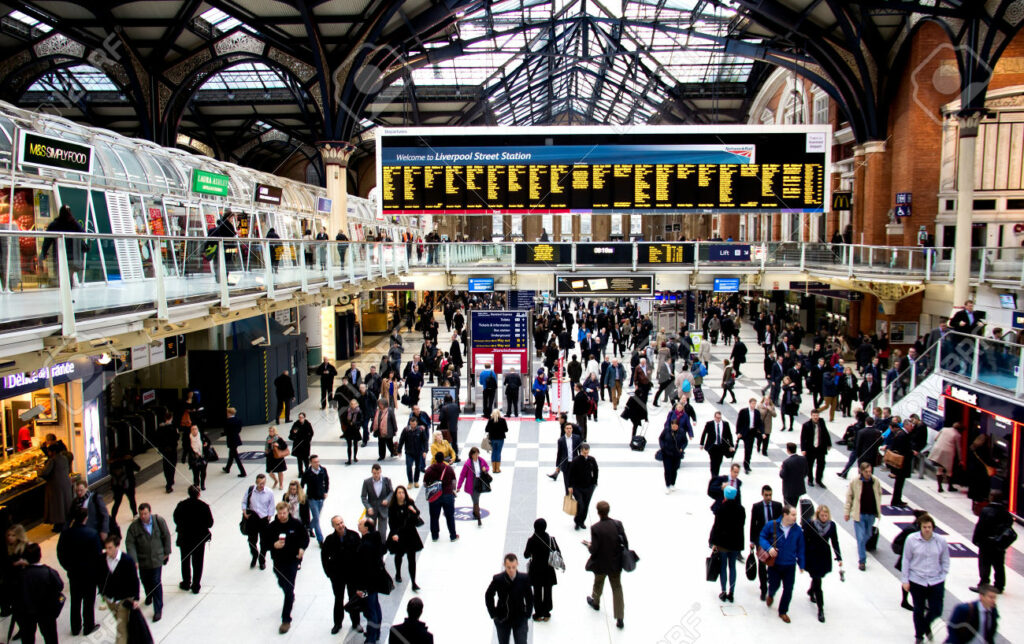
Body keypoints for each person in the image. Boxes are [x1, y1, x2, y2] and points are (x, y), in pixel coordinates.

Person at [901, 513, 949, 642]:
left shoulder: (941, 541)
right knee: (918, 609)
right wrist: (905, 580)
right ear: (920, 527)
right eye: (924, 527)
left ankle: (925, 625)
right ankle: (919, 635)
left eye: (929, 527)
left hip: (936, 580)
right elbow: (906, 559)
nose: (927, 529)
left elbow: (945, 560)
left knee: (937, 609)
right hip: (917, 580)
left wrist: (943, 574)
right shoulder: (911, 540)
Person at [263, 501, 309, 634]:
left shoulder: (296, 524)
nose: (282, 516)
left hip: (292, 560)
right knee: (282, 583)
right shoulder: (272, 527)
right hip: (278, 561)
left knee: (289, 588)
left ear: (288, 511)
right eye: (280, 513)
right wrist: (273, 545)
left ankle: (286, 619)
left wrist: (302, 548)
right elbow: (264, 543)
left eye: (284, 513)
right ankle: (290, 594)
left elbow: (305, 538)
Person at [56, 506, 101, 636]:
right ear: (85, 518)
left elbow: (60, 553)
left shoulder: (65, 534)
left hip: (74, 573)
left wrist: (68, 567)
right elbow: (98, 556)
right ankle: (88, 625)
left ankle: (75, 627)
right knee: (88, 601)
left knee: (75, 601)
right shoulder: (92, 534)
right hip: (89, 574)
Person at [759, 504, 806, 624]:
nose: (795, 517)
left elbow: (801, 548)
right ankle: (771, 593)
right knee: (774, 584)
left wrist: (801, 563)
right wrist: (768, 548)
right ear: (785, 515)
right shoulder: (772, 525)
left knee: (788, 589)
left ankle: (783, 611)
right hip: (775, 564)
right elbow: (762, 537)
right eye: (793, 514)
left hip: (790, 564)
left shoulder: (798, 530)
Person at [124, 503, 171, 622]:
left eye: (145, 513)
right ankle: (149, 594)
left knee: (156, 582)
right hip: (143, 560)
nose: (143, 516)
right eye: (141, 514)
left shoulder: (158, 521)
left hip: (156, 559)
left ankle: (158, 609)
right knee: (145, 580)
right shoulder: (134, 527)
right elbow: (130, 543)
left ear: (150, 512)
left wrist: (166, 552)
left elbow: (166, 535)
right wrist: (134, 560)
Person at [583, 501, 626, 629]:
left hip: (601, 563)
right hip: (615, 563)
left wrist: (589, 546)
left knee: (598, 583)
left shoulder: (596, 528)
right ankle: (620, 617)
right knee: (617, 588)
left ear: (598, 512)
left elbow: (594, 549)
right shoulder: (618, 524)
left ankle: (595, 602)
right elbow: (625, 542)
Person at [321, 515, 363, 635]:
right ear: (333, 526)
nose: (340, 525)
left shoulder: (354, 536)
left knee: (353, 598)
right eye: (337, 524)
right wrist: (329, 573)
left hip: (352, 574)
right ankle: (337, 623)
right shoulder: (329, 540)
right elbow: (324, 557)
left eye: (341, 522)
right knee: (338, 599)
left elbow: (360, 555)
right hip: (337, 576)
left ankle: (356, 622)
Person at [15, 542, 63, 644]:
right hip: (46, 611)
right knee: (51, 637)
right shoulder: (49, 572)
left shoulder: (20, 575)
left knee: (28, 638)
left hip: (26, 612)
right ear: (40, 555)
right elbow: (59, 586)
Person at [803, 504, 842, 623]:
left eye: (826, 515)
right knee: (817, 581)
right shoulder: (810, 524)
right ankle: (820, 609)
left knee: (818, 577)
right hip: (812, 555)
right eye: (822, 515)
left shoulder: (831, 525)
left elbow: (835, 541)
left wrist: (839, 557)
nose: (824, 517)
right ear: (818, 515)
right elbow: (804, 539)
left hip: (824, 556)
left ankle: (810, 591)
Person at [97, 535, 140, 644]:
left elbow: (134, 580)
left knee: (121, 629)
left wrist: (135, 598)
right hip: (110, 599)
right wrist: (102, 592)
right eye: (106, 548)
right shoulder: (102, 559)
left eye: (110, 548)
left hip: (123, 599)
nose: (107, 550)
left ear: (117, 547)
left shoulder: (127, 560)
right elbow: (99, 576)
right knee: (122, 624)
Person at [172, 485, 213, 594]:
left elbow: (176, 518)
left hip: (184, 538)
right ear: (199, 494)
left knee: (185, 560)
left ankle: (186, 582)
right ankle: (195, 585)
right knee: (198, 562)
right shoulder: (204, 506)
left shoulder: (181, 505)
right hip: (199, 539)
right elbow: (210, 523)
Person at [485, 554, 534, 644]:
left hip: (520, 618)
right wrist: (493, 614)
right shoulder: (498, 579)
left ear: (517, 565)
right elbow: (488, 595)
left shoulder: (524, 579)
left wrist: (527, 614)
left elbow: (529, 597)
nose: (511, 570)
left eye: (513, 567)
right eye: (508, 567)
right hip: (502, 618)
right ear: (504, 566)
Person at [970, 494, 1014, 594]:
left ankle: (983, 584)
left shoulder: (986, 511)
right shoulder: (1006, 513)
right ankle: (999, 586)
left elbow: (979, 526)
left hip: (985, 543)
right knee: (999, 565)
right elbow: (1009, 526)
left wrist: (975, 540)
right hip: (999, 544)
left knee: (984, 564)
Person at [355, 517, 389, 644]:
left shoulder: (366, 545)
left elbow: (365, 568)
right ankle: (376, 633)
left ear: (366, 528)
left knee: (370, 610)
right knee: (375, 606)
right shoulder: (375, 538)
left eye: (360, 524)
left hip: (368, 584)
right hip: (375, 582)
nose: (358, 525)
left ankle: (371, 637)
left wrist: (360, 587)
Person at [710, 485, 746, 602]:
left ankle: (724, 591)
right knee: (732, 567)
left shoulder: (721, 509)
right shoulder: (741, 509)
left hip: (723, 543)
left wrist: (714, 542)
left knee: (723, 567)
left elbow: (717, 527)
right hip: (735, 543)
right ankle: (732, 592)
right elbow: (742, 525)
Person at [844, 461, 882, 571]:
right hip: (859, 514)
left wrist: (878, 509)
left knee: (868, 534)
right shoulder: (855, 482)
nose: (868, 474)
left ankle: (861, 547)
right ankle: (862, 561)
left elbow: (879, 494)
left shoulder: (875, 481)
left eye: (870, 471)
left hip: (871, 514)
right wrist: (847, 512)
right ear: (861, 471)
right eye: (866, 471)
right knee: (860, 538)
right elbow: (849, 497)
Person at [750, 485, 783, 601]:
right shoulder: (757, 507)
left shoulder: (778, 506)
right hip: (762, 539)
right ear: (762, 494)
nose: (768, 497)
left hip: (774, 539)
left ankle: (771, 584)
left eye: (770, 495)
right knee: (762, 564)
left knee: (773, 563)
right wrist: (752, 541)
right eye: (766, 495)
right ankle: (763, 588)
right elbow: (753, 524)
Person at [386, 485, 423, 590]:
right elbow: (391, 522)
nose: (401, 495)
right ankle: (398, 572)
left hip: (410, 534)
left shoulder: (410, 502)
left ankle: (413, 582)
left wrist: (414, 511)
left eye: (403, 492)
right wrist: (394, 534)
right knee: (399, 555)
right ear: (396, 495)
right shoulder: (392, 507)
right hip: (399, 534)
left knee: (412, 559)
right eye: (399, 493)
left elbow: (417, 513)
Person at [524, 519, 559, 621]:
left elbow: (526, 555)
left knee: (537, 591)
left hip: (536, 569)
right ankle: (547, 612)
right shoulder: (549, 539)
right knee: (548, 590)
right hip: (548, 569)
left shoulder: (531, 540)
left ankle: (538, 613)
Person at [242, 473, 277, 569]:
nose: (262, 485)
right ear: (256, 482)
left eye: (263, 483)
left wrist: (270, 515)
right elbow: (244, 501)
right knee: (251, 540)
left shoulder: (269, 492)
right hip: (252, 518)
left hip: (264, 519)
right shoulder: (251, 490)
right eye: (260, 483)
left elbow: (272, 505)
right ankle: (254, 555)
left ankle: (262, 560)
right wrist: (244, 512)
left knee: (264, 541)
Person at [423, 452, 459, 542]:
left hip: (434, 496)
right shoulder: (448, 468)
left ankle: (435, 536)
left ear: (435, 459)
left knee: (434, 517)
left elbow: (425, 484)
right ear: (443, 458)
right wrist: (453, 490)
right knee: (450, 516)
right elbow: (454, 481)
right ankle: (453, 535)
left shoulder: (430, 469)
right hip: (447, 495)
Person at [39, 442, 72, 532]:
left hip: (55, 486)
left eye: (49, 451)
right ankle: (64, 523)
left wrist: (38, 470)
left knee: (57, 506)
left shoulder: (52, 460)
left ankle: (58, 525)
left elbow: (44, 473)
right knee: (64, 504)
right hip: (65, 484)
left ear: (52, 452)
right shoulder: (64, 458)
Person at [360, 464, 394, 544]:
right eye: (374, 473)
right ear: (372, 472)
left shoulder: (386, 480)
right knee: (370, 532)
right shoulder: (367, 482)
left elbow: (391, 492)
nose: (376, 475)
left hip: (383, 509)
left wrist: (387, 500)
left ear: (380, 471)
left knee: (382, 533)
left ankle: (381, 551)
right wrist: (368, 507)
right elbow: (363, 497)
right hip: (372, 510)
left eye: (378, 473)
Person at [568, 444, 599, 531]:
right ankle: (577, 521)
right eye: (584, 452)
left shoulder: (591, 459)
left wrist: (594, 482)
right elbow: (571, 474)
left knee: (586, 505)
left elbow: (596, 470)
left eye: (587, 452)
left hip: (589, 487)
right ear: (581, 451)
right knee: (580, 504)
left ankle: (582, 522)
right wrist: (570, 486)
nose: (586, 454)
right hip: (577, 487)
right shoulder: (576, 461)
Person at [300, 455, 329, 545]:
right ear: (311, 463)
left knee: (316, 517)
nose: (317, 463)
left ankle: (308, 528)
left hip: (321, 498)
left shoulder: (323, 470)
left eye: (318, 461)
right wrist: (301, 495)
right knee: (316, 518)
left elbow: (327, 480)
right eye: (315, 462)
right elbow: (302, 484)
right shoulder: (307, 473)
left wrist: (326, 491)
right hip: (312, 499)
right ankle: (320, 539)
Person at [548, 422, 582, 494]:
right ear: (564, 430)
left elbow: (580, 450)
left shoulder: (577, 438)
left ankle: (575, 494)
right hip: (566, 464)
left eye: (570, 428)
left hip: (574, 463)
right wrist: (558, 465)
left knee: (575, 480)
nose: (569, 430)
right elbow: (559, 453)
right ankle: (567, 495)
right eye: (567, 428)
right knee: (566, 481)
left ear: (572, 429)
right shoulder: (561, 440)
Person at [800, 410, 831, 487]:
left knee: (821, 464)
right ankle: (810, 479)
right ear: (811, 416)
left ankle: (819, 480)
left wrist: (829, 443)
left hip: (820, 448)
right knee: (809, 465)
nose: (816, 417)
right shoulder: (806, 425)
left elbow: (826, 433)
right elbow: (803, 438)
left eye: (817, 415)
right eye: (814, 415)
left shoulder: (822, 422)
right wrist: (803, 449)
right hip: (810, 449)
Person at [929, 422, 962, 493]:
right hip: (948, 452)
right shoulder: (957, 435)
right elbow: (958, 448)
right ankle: (950, 487)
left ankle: (940, 487)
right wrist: (960, 459)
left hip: (937, 450)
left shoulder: (944, 429)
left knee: (939, 469)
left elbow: (935, 438)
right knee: (949, 471)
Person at [658, 417, 688, 493]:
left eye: (676, 426)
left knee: (674, 469)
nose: (674, 427)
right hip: (667, 453)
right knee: (667, 470)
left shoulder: (681, 432)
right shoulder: (666, 430)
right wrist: (663, 447)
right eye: (673, 426)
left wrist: (682, 448)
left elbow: (685, 441)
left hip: (676, 454)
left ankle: (672, 484)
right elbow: (661, 438)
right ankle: (667, 485)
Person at [699, 411, 733, 477]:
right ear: (714, 417)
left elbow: (729, 435)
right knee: (713, 461)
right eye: (717, 418)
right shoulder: (709, 424)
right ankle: (714, 475)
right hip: (712, 446)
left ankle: (716, 473)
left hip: (721, 446)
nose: (718, 419)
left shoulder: (725, 424)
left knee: (719, 461)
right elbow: (704, 433)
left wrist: (731, 445)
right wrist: (701, 444)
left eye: (720, 418)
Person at [108, 451, 140, 520]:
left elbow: (111, 473)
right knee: (132, 500)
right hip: (128, 485)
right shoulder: (128, 461)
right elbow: (137, 468)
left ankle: (113, 519)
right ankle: (135, 514)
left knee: (117, 503)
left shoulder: (112, 463)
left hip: (117, 486)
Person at [736, 397, 764, 475]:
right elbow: (739, 422)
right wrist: (738, 432)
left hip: (752, 432)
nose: (754, 405)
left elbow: (759, 423)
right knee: (747, 449)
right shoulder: (743, 411)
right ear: (750, 403)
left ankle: (747, 464)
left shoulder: (757, 412)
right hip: (745, 432)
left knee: (749, 449)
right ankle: (746, 466)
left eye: (755, 404)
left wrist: (762, 432)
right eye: (753, 403)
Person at [398, 419, 428, 488]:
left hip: (418, 452)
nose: (413, 426)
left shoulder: (421, 430)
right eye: (411, 424)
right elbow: (401, 440)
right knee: (409, 466)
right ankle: (410, 481)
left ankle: (416, 481)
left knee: (418, 467)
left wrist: (425, 451)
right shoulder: (406, 430)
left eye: (414, 424)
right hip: (409, 452)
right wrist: (399, 450)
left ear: (416, 423)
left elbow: (425, 441)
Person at [779, 442, 808, 507]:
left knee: (788, 508)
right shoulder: (803, 459)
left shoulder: (786, 462)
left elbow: (782, 475)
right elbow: (806, 472)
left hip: (789, 490)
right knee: (794, 505)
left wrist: (781, 470)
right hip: (798, 488)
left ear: (788, 450)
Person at [221, 407, 246, 477]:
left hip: (231, 440)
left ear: (229, 413)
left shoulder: (227, 421)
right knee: (231, 455)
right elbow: (239, 430)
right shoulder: (238, 420)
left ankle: (243, 472)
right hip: (236, 439)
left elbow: (226, 431)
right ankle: (227, 468)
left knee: (236, 457)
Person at [157, 411, 179, 492]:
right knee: (172, 465)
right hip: (172, 449)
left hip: (164, 449)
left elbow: (157, 439)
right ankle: (170, 482)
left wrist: (160, 449)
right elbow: (176, 437)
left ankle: (168, 481)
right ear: (171, 418)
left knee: (166, 466)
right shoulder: (173, 427)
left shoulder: (160, 427)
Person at [185, 425, 210, 490]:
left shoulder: (202, 436)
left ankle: (202, 484)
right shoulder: (188, 438)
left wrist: (205, 445)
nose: (194, 430)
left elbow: (208, 442)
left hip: (202, 457)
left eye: (195, 429)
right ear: (191, 430)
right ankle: (196, 484)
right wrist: (184, 457)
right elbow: (186, 448)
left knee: (203, 472)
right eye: (193, 429)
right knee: (195, 472)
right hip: (193, 458)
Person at [340, 398, 363, 465]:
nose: (353, 405)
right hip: (349, 430)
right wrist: (348, 423)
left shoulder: (359, 411)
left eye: (354, 404)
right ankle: (349, 459)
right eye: (351, 404)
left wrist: (354, 423)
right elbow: (343, 419)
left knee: (355, 444)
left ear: (356, 404)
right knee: (349, 445)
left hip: (355, 430)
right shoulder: (348, 411)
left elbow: (361, 420)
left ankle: (355, 457)